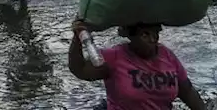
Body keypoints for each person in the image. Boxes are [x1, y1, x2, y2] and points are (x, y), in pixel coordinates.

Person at [68, 20, 206, 110]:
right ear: (130, 35)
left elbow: (187, 91)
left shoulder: (167, 56)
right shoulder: (114, 57)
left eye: (156, 33)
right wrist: (77, 37)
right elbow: (80, 70)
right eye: (145, 34)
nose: (153, 40)